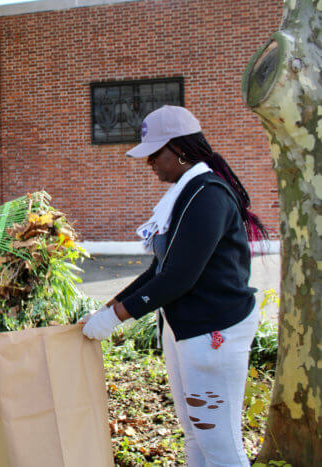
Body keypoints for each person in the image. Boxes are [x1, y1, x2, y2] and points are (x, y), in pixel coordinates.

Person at [81, 105, 267, 466]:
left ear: (180, 149)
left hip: (213, 330)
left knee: (219, 443)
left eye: (154, 153)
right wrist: (109, 306)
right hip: (184, 328)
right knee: (196, 433)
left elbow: (180, 276)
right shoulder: (185, 193)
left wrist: (118, 317)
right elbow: (160, 268)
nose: (149, 163)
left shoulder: (208, 194)